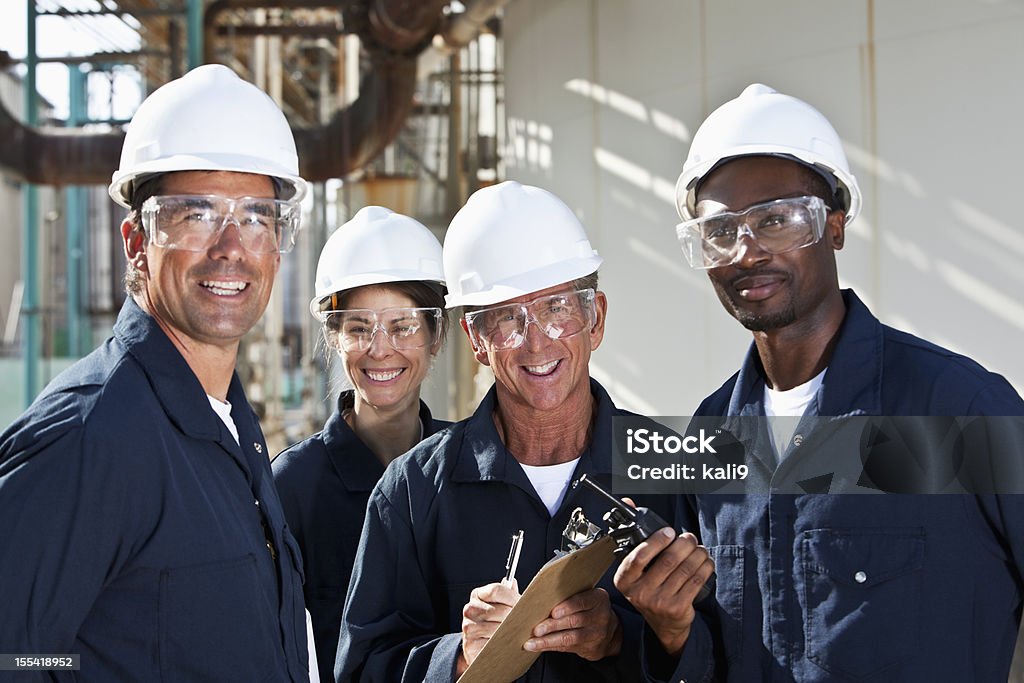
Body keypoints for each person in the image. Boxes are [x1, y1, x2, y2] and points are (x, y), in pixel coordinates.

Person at [670, 83, 1024, 680]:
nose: (746, 253)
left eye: (777, 221)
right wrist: (666, 631)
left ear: (833, 225)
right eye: (721, 232)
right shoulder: (708, 439)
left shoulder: (960, 410)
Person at [0, 64, 313, 681]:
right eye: (195, 214)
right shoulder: (92, 436)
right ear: (135, 241)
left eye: (256, 217)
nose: (231, 246)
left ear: (278, 245)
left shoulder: (229, 425)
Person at [336, 181, 715, 682]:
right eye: (505, 319)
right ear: (475, 339)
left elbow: (741, 653)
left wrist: (632, 637)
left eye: (557, 309)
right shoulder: (412, 492)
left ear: (595, 317)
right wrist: (460, 658)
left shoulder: (674, 467)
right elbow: (361, 669)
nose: (536, 343)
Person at [273, 206, 452, 678]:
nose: (380, 349)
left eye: (403, 326)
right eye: (358, 329)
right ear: (334, 339)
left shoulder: (467, 466)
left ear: (436, 335)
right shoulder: (294, 486)